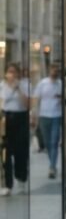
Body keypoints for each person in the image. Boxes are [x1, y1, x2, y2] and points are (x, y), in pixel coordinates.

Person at [0, 63, 30, 196]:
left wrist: (17, 89)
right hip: (6, 118)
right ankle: (7, 184)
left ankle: (21, 179)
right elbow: (2, 103)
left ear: (18, 73)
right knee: (6, 151)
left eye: (14, 71)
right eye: (9, 71)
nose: (11, 74)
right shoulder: (2, 86)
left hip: (21, 118)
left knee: (20, 150)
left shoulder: (24, 85)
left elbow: (27, 104)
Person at [33, 64, 63, 178]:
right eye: (53, 70)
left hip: (56, 115)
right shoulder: (43, 83)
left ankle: (52, 167)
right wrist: (34, 114)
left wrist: (60, 98)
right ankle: (52, 163)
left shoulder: (60, 84)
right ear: (50, 71)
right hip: (44, 115)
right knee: (47, 142)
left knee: (54, 141)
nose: (55, 72)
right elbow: (36, 98)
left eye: (57, 71)